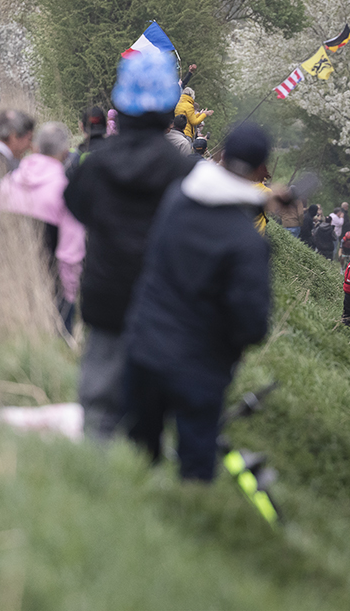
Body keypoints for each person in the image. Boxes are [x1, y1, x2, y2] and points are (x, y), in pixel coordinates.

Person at [124, 123, 274, 481]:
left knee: (135, 456)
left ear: (221, 156)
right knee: (194, 464)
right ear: (260, 171)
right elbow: (252, 325)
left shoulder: (176, 198)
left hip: (144, 344)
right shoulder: (248, 243)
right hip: (200, 364)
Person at [64, 50, 195, 440]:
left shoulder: (97, 163)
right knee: (152, 404)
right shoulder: (182, 171)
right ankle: (141, 468)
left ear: (120, 103)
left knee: (98, 396)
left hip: (105, 293)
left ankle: (95, 470)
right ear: (168, 108)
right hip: (161, 300)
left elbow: (76, 206)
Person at [0, 121, 85, 334]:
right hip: (52, 289)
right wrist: (69, 295)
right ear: (65, 151)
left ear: (35, 147)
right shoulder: (65, 190)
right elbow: (71, 252)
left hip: (10, 282)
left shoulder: (7, 183)